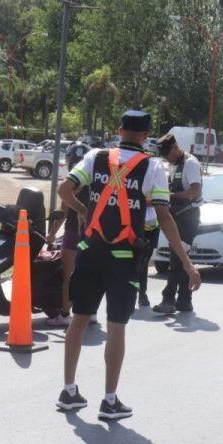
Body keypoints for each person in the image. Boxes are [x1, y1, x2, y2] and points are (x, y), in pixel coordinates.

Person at [56, 110, 201, 421]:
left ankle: (68, 391)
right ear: (146, 137)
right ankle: (109, 401)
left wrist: (84, 212)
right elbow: (164, 217)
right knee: (116, 327)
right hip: (123, 259)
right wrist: (187, 263)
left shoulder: (95, 157)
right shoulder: (152, 168)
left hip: (89, 251)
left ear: (119, 130)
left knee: (79, 321)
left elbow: (63, 191)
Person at [152, 132, 203, 315]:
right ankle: (184, 300)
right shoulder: (173, 164)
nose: (166, 158)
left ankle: (168, 300)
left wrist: (169, 196)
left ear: (175, 148)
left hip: (188, 217)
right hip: (176, 215)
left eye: (168, 154)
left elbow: (195, 191)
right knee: (181, 258)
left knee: (177, 258)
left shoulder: (189, 163)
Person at [45, 141, 91, 327]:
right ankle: (90, 312)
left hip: (73, 232)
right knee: (87, 274)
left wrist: (51, 235)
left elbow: (63, 212)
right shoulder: (96, 182)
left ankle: (64, 314)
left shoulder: (72, 185)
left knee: (66, 275)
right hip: (92, 235)